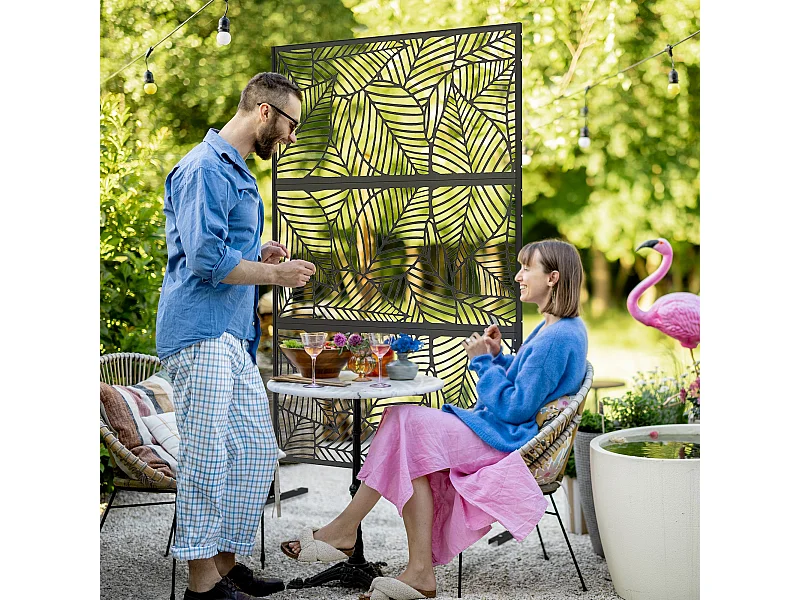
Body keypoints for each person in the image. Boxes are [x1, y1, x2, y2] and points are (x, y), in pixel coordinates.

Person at [280, 239, 589, 600]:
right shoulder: (559, 329)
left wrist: (482, 362)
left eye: (526, 268)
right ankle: (416, 572)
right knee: (407, 438)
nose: (518, 276)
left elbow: (516, 407)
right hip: (501, 432)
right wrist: (499, 356)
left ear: (552, 278)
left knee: (403, 423)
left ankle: (347, 532)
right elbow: (530, 386)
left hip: (505, 442)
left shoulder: (558, 336)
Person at [156, 72, 316, 600]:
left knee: (253, 450)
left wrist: (259, 252)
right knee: (207, 454)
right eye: (292, 124)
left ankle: (223, 567)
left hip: (230, 334)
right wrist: (275, 276)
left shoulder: (235, 170)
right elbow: (204, 259)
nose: (292, 136)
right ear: (265, 112)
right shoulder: (204, 167)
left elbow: (220, 244)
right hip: (200, 330)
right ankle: (202, 588)